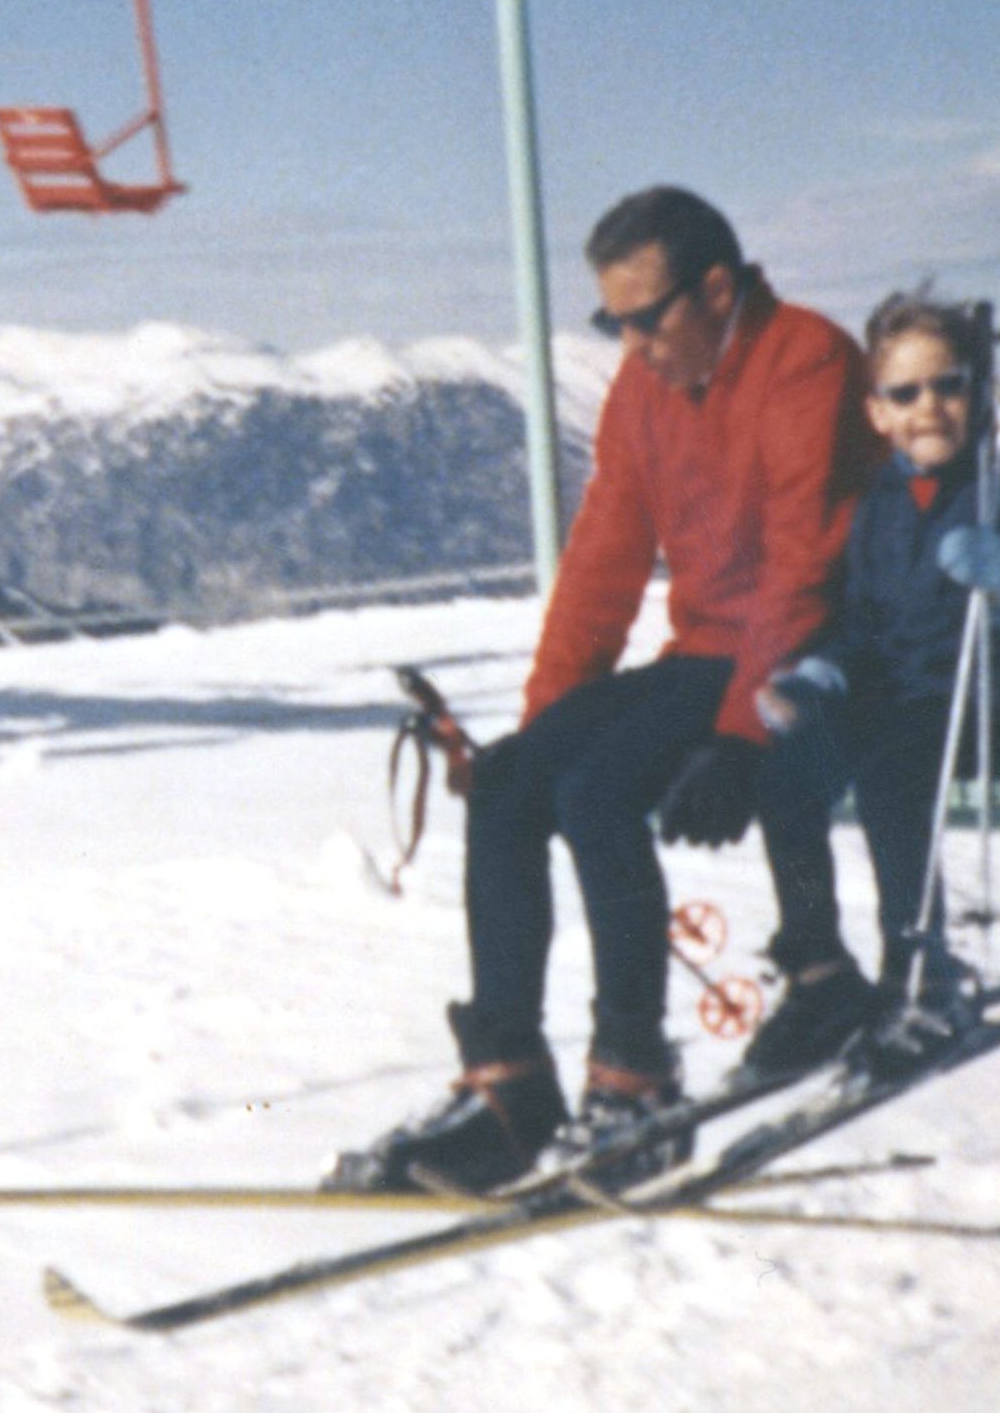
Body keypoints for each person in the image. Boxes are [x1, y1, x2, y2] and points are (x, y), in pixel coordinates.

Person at [331, 186, 879, 1196]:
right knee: (513, 787)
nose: (629, 343)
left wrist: (741, 735)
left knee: (598, 793)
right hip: (712, 653)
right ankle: (510, 1087)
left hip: (813, 653)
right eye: (610, 321)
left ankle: (638, 1083)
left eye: (645, 317)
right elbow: (604, 563)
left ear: (717, 290)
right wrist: (541, 729)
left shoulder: (805, 358)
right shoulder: (643, 393)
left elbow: (805, 563)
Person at [738, 286, 1000, 1079]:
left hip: (995, 709)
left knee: (893, 765)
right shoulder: (877, 511)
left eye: (948, 385)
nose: (928, 407)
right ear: (877, 412)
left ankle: (921, 972)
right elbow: (865, 624)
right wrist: (825, 670)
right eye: (905, 393)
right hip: (901, 705)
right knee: (786, 768)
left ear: (977, 393)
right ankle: (818, 967)